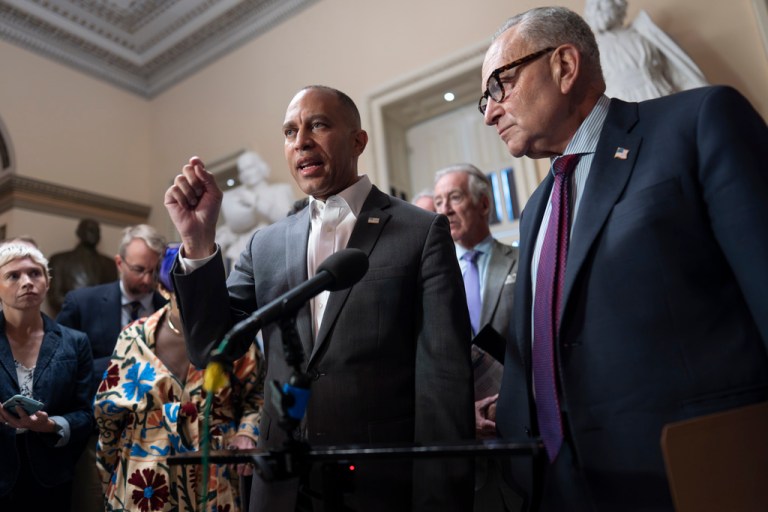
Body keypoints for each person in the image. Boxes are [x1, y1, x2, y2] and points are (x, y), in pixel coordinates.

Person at [480, 6, 768, 511]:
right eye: (485, 98)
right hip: (563, 488)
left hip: (696, 475)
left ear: (564, 66)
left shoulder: (698, 124)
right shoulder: (535, 210)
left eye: (499, 85)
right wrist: (511, 409)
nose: (489, 112)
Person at [164, 85, 475, 512]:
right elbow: (211, 348)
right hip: (280, 488)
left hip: (381, 485)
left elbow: (443, 379)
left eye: (319, 125)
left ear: (358, 140)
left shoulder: (420, 233)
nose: (301, 141)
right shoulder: (264, 245)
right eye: (290, 132)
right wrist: (198, 242)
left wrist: (441, 496)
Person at [94, 244, 264, 512]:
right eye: (182, 293)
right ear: (163, 289)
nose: (196, 303)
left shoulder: (234, 339)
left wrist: (247, 433)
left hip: (214, 475)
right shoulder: (132, 339)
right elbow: (108, 414)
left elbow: (258, 394)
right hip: (145, 476)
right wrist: (110, 473)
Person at [56, 223, 168, 512]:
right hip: (94, 434)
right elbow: (60, 368)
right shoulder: (82, 303)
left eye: (155, 271)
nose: (148, 280)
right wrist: (125, 365)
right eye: (139, 269)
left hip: (155, 436)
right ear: (120, 263)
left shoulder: (169, 309)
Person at [433, 164, 520, 512]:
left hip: (518, 424)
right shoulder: (430, 277)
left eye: (454, 198)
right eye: (438, 201)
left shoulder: (521, 259)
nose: (444, 210)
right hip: (458, 437)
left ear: (483, 204)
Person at [0, 242, 93, 511]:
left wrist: (52, 425)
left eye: (35, 273)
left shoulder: (74, 342)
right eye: (13, 275)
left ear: (48, 282)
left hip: (51, 475)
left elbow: (86, 413)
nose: (27, 282)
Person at [583, 0, 707, 102]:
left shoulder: (643, 34)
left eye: (603, 3)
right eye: (594, 5)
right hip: (624, 107)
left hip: (660, 95)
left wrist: (699, 97)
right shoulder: (591, 50)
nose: (599, 8)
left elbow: (675, 73)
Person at [216, 150, 296, 266]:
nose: (247, 173)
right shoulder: (239, 198)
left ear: (261, 166)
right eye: (243, 170)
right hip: (245, 256)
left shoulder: (280, 190)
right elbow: (235, 227)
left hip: (275, 252)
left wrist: (256, 201)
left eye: (250, 167)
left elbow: (290, 220)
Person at [48, 219, 118, 315]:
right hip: (69, 324)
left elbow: (113, 299)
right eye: (90, 229)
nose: (94, 233)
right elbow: (55, 298)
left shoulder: (110, 264)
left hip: (101, 325)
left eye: (97, 231)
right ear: (79, 233)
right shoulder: (59, 260)